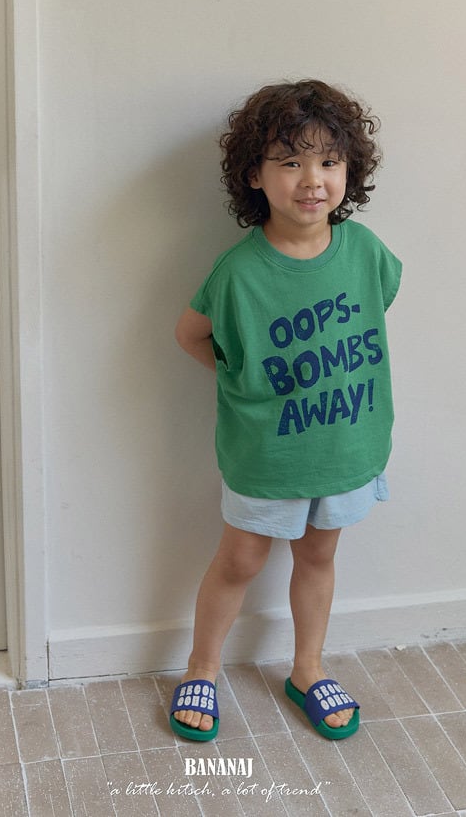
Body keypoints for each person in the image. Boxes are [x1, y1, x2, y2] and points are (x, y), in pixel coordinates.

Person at [170, 79, 401, 741]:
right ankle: (202, 668)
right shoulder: (238, 272)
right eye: (291, 162)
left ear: (349, 170)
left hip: (345, 447)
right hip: (267, 453)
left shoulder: (366, 252)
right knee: (241, 561)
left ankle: (307, 668)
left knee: (318, 557)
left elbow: (376, 306)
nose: (312, 180)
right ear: (255, 174)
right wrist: (241, 381)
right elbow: (190, 335)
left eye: (329, 161)